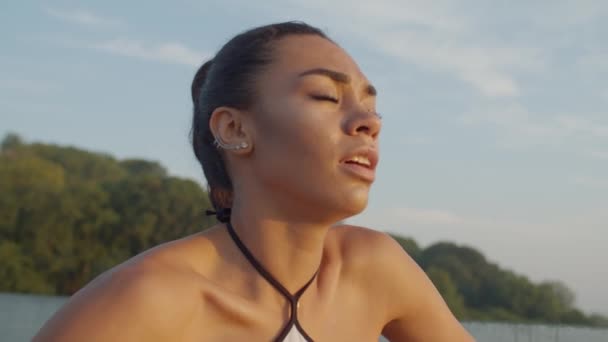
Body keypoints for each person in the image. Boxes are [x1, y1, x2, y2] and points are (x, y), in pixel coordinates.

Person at [33, 22, 475, 341]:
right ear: (233, 130)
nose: (368, 123)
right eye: (325, 96)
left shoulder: (373, 269)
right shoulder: (150, 300)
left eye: (371, 106)